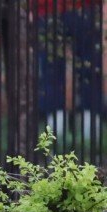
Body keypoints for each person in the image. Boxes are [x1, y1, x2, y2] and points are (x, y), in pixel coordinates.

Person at [36, 0, 103, 136]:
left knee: (51, 70)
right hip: (84, 9)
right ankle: (89, 121)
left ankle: (56, 121)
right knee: (89, 69)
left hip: (48, 10)